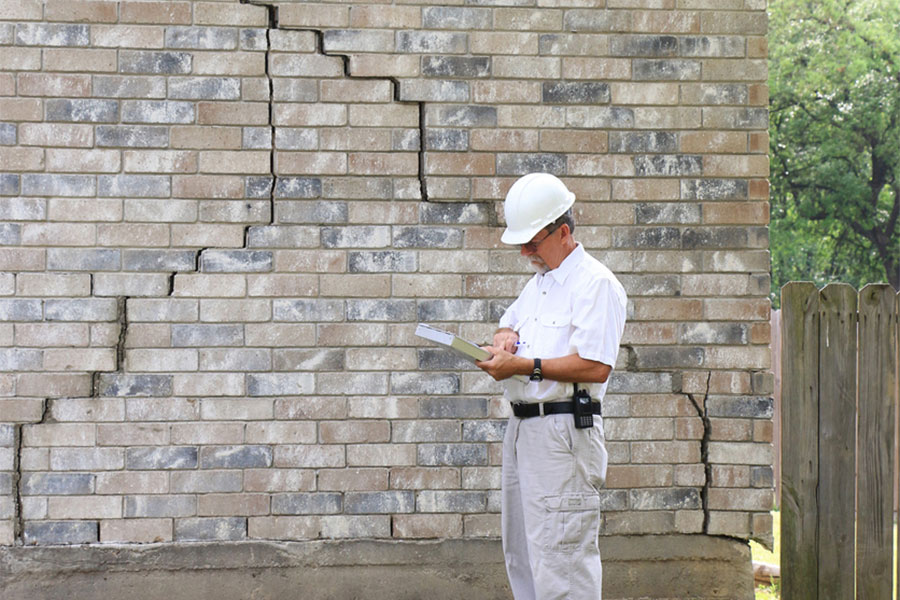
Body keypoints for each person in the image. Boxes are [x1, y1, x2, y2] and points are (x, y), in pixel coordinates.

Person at [475, 173, 627, 600]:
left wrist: (522, 364)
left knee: (562, 562)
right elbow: (513, 319)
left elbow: (596, 366)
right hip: (524, 430)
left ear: (563, 232)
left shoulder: (595, 285)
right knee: (524, 554)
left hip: (564, 433)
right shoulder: (540, 283)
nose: (525, 252)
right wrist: (505, 335)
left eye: (533, 242)